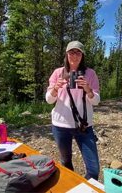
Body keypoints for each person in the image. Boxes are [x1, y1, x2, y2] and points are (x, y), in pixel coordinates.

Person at [45, 40, 101, 180]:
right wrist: (56, 88)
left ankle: (84, 187)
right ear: (66, 54)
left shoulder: (90, 74)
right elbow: (49, 100)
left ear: (82, 55)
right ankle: (71, 186)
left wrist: (88, 90)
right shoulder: (58, 73)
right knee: (66, 162)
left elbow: (96, 101)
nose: (74, 55)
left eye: (78, 52)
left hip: (83, 125)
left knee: (93, 169)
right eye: (71, 52)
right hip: (61, 126)